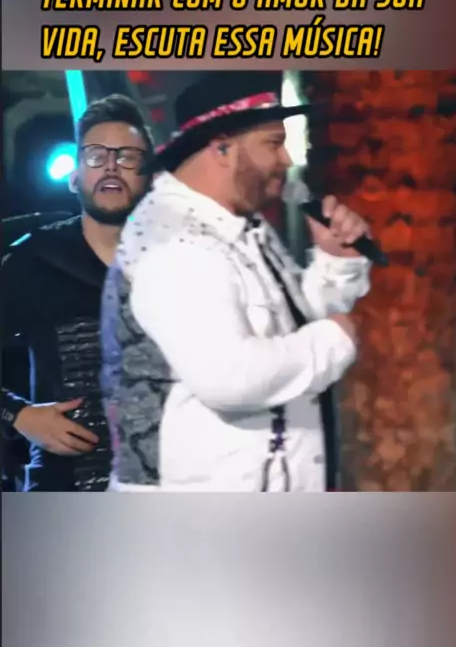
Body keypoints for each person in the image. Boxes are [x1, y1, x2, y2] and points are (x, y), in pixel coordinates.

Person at [101, 71, 373, 492]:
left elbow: (288, 330)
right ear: (222, 148)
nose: (286, 159)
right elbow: (230, 377)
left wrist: (337, 262)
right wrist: (335, 340)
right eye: (273, 143)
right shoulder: (174, 242)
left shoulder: (236, 226)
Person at [1, 94, 153, 491]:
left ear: (148, 178)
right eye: (96, 156)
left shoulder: (180, 262)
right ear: (74, 176)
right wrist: (19, 416)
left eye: (127, 157)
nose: (111, 167)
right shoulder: (35, 261)